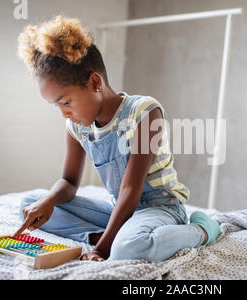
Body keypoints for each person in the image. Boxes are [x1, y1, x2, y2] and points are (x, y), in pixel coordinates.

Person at [14, 15, 221, 262]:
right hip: (120, 209)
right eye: (56, 106)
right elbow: (69, 182)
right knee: (29, 203)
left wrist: (102, 250)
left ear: (94, 82)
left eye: (66, 102)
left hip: (160, 208)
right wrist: (47, 201)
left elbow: (131, 188)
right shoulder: (76, 126)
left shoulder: (145, 112)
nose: (64, 114)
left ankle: (202, 229)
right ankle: (104, 235)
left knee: (129, 249)